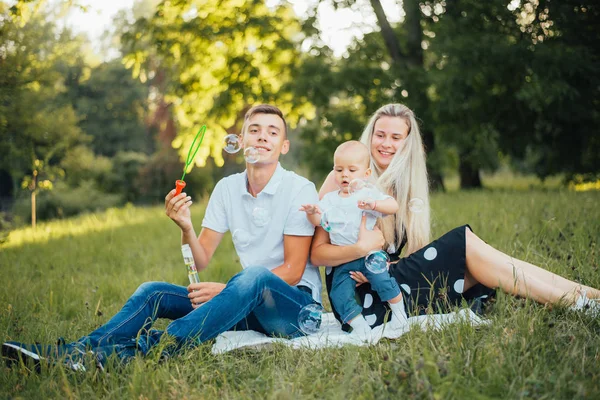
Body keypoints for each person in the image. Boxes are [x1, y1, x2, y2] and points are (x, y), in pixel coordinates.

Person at [2, 104, 322, 371]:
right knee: (153, 291)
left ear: (284, 145)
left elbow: (293, 271)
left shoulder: (299, 189)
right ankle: (79, 353)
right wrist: (185, 227)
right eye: (254, 129)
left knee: (253, 276)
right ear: (241, 139)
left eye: (272, 131)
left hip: (294, 309)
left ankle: (150, 350)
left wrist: (226, 290)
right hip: (241, 300)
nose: (262, 136)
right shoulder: (227, 188)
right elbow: (202, 258)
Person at [312, 103, 600, 332]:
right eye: (380, 134)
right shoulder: (342, 178)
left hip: (391, 281)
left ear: (407, 143)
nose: (386, 143)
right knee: (464, 244)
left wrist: (386, 262)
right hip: (361, 296)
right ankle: (576, 301)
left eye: (396, 137)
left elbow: (410, 256)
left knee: (484, 260)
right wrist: (360, 250)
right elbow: (318, 254)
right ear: (370, 136)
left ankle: (587, 297)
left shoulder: (403, 185)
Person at [300, 141, 406, 340]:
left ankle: (400, 316)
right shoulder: (330, 200)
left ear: (365, 174)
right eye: (339, 170)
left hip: (370, 255)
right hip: (344, 260)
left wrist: (375, 204)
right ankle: (360, 327)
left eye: (351, 170)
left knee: (384, 281)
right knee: (339, 294)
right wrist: (311, 213)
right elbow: (319, 221)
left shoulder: (367, 194)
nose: (345, 175)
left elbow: (393, 205)